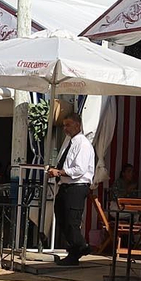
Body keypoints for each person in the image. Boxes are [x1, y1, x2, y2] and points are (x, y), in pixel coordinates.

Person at [47, 113, 95, 265]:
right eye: (64, 125)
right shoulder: (69, 142)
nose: (65, 128)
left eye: (68, 125)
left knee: (71, 220)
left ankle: (79, 247)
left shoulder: (83, 143)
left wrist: (59, 172)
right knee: (61, 216)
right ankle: (77, 247)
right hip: (66, 185)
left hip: (77, 186)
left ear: (77, 125)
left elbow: (79, 169)